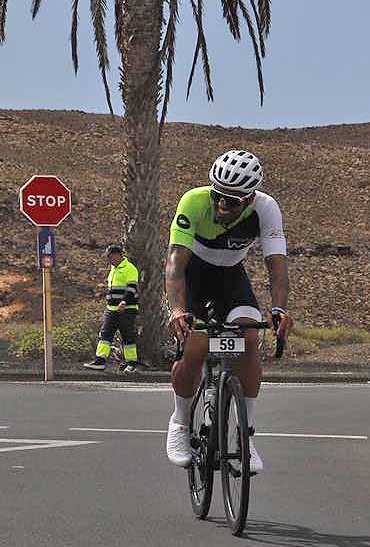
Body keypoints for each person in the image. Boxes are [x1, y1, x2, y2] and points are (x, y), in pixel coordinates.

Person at [163, 150, 291, 475]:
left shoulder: (266, 209)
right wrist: (177, 309)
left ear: (249, 199)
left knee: (249, 338)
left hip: (230, 278)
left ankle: (245, 436)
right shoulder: (193, 202)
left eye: (232, 201)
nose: (222, 206)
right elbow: (176, 265)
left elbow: (277, 270)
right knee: (196, 347)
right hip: (194, 277)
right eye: (218, 196)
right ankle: (179, 421)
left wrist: (278, 310)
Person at [84, 244, 143, 372]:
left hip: (127, 309)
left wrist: (124, 302)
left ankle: (131, 363)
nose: (109, 260)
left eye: (110, 257)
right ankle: (100, 360)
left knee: (127, 336)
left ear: (117, 255)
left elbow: (131, 288)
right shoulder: (113, 269)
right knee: (105, 333)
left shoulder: (129, 268)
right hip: (111, 309)